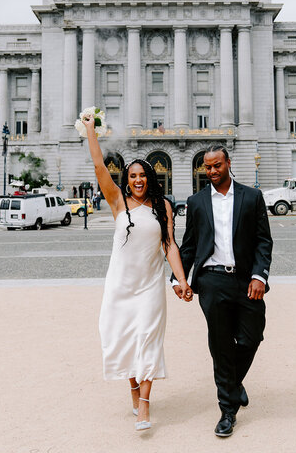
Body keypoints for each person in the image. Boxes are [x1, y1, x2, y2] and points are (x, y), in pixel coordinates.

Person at [82, 116, 193, 431]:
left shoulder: (163, 207)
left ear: (150, 178)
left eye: (143, 175)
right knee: (124, 339)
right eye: (133, 176)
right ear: (127, 180)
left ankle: (144, 405)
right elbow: (99, 167)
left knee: (147, 339)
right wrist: (91, 131)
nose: (138, 180)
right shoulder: (117, 201)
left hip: (149, 286)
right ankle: (132, 388)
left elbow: (170, 246)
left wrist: (181, 279)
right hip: (120, 285)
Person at [171, 145, 272, 438]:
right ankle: (227, 410)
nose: (212, 171)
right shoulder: (197, 201)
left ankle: (232, 385)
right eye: (207, 167)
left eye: (217, 165)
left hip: (246, 281)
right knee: (221, 344)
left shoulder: (251, 196)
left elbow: (263, 241)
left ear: (228, 163)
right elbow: (188, 245)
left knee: (253, 335)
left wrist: (259, 276)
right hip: (212, 281)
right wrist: (179, 279)